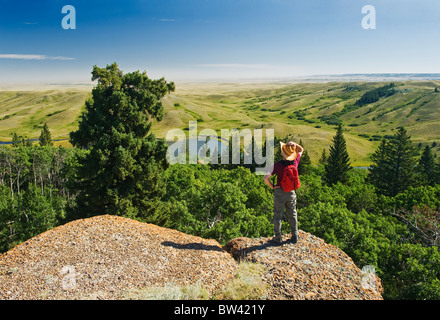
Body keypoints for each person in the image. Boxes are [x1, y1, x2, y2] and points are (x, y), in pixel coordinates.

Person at [264, 141, 304, 245]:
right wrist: (294, 144)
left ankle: (278, 238)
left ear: (282, 153)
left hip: (280, 192)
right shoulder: (295, 162)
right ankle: (295, 236)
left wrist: (273, 186)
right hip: (291, 192)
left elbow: (266, 178)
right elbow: (301, 150)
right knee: (292, 214)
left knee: (278, 215)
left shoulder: (277, 165)